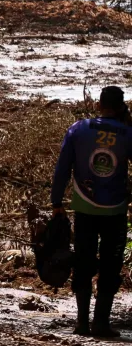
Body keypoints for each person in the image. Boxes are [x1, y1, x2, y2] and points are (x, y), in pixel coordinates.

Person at [51, 86, 132, 338]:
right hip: (115, 210)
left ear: (98, 105)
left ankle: (81, 323)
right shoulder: (129, 133)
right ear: (120, 107)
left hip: (84, 208)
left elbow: (62, 169)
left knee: (83, 262)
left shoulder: (78, 129)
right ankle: (101, 324)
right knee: (110, 266)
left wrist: (56, 203)